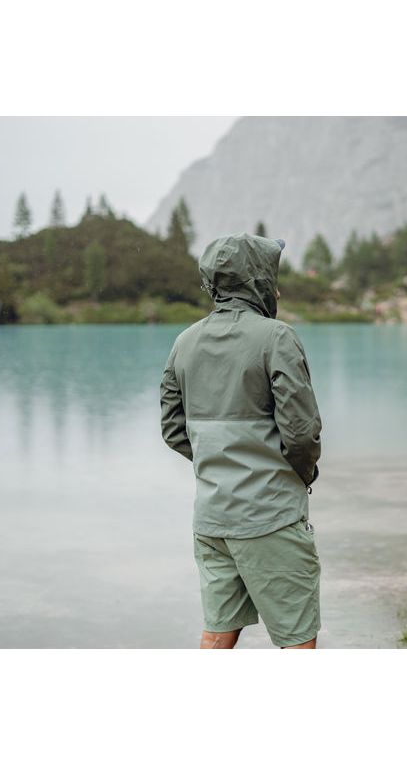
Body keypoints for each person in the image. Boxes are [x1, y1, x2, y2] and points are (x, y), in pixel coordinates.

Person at [160, 232, 323, 649]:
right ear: (258, 281)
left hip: (212, 519)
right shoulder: (277, 338)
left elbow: (173, 429)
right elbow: (301, 433)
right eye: (272, 277)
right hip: (269, 517)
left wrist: (222, 463)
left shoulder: (184, 342)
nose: (278, 289)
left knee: (218, 633)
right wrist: (301, 474)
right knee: (297, 640)